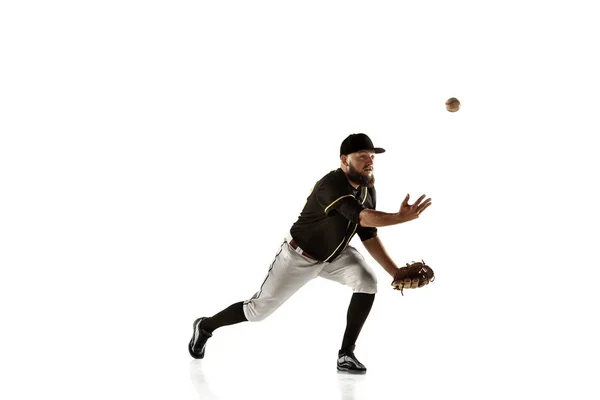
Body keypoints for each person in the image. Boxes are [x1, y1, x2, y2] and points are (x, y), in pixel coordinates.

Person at [188, 133, 432, 374]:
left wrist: (395, 271)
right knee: (256, 312)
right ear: (344, 160)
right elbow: (361, 216)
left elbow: (367, 232)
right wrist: (399, 218)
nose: (370, 161)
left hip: (335, 255)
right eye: (362, 157)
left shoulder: (368, 189)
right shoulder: (331, 184)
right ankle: (206, 326)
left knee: (367, 282)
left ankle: (346, 354)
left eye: (372, 156)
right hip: (299, 256)